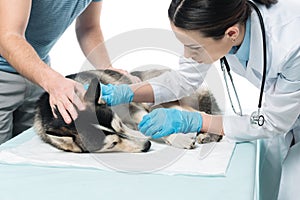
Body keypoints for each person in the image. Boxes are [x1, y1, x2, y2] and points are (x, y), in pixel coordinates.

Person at [100, 0, 300, 199]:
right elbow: (184, 79)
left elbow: (273, 121)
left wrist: (197, 120)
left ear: (231, 34)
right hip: (289, 112)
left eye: (193, 47)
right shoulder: (222, 19)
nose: (187, 55)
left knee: (291, 190)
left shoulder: (291, 44)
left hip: (287, 113)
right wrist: (124, 92)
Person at [0, 0, 139, 145]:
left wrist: (107, 68)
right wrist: (53, 81)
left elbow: (88, 27)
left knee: (25, 151)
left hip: (36, 73)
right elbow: (8, 37)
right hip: (8, 75)